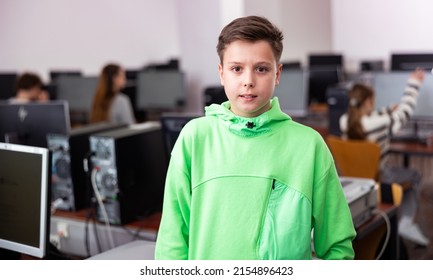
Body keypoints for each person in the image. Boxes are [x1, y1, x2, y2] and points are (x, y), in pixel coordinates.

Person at [154, 15, 356, 260]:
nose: (248, 81)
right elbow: (171, 244)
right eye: (236, 69)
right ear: (221, 73)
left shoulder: (309, 145)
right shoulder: (194, 139)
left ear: (278, 73)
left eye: (261, 69)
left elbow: (338, 247)